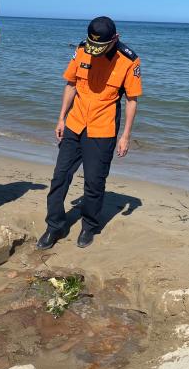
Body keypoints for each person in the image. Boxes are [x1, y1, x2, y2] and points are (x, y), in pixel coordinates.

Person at [36, 16, 142, 250]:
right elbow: (71, 84)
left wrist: (125, 136)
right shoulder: (82, 49)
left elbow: (132, 100)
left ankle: (89, 226)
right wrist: (61, 118)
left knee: (94, 183)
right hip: (75, 123)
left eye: (100, 46)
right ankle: (54, 226)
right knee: (59, 177)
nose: (94, 51)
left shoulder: (129, 60)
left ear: (115, 39)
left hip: (103, 129)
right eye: (92, 45)